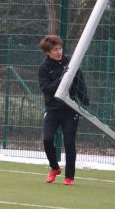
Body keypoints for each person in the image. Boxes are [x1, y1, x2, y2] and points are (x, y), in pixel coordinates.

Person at [38, 35, 89, 185]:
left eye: (60, 48)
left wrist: (85, 101)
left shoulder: (70, 63)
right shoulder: (43, 68)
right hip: (52, 110)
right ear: (48, 52)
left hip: (70, 110)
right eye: (55, 50)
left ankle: (69, 177)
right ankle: (54, 168)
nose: (59, 52)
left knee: (69, 142)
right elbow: (46, 88)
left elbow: (80, 81)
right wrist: (61, 79)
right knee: (47, 140)